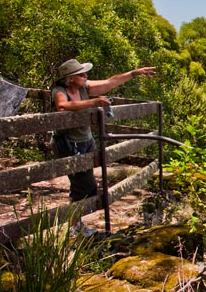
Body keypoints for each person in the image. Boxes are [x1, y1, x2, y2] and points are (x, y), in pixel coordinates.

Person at [51, 58, 156, 235]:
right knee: (84, 185)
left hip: (86, 141)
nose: (85, 75)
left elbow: (110, 82)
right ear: (69, 79)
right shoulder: (59, 90)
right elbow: (62, 105)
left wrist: (133, 73)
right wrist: (93, 103)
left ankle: (76, 223)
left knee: (83, 184)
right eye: (81, 74)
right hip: (69, 144)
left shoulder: (84, 88)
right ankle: (75, 225)